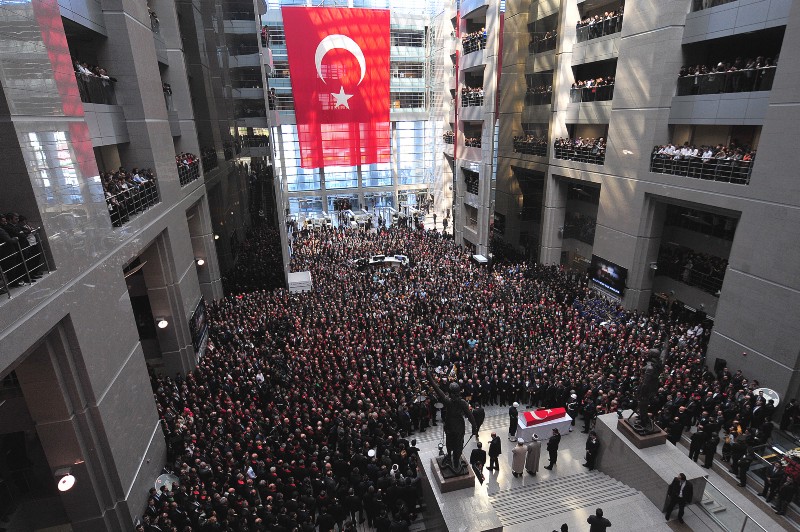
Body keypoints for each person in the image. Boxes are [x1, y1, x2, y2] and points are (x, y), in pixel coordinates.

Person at [427, 371, 477, 473]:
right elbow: (470, 415)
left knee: (450, 442)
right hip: (458, 426)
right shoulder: (462, 402)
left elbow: (437, 389)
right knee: (458, 444)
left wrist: (429, 377)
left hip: (450, 425)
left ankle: (450, 457)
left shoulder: (447, 401)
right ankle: (455, 460)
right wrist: (474, 427)